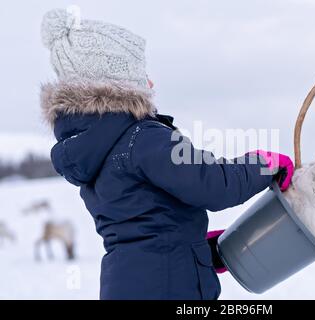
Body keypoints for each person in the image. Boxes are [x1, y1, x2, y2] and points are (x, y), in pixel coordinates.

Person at [40, 8, 294, 300]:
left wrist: (196, 249)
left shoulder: (95, 149)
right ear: (116, 83)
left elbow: (140, 228)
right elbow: (212, 184)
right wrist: (263, 164)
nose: (150, 84)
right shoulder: (143, 138)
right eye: (141, 74)